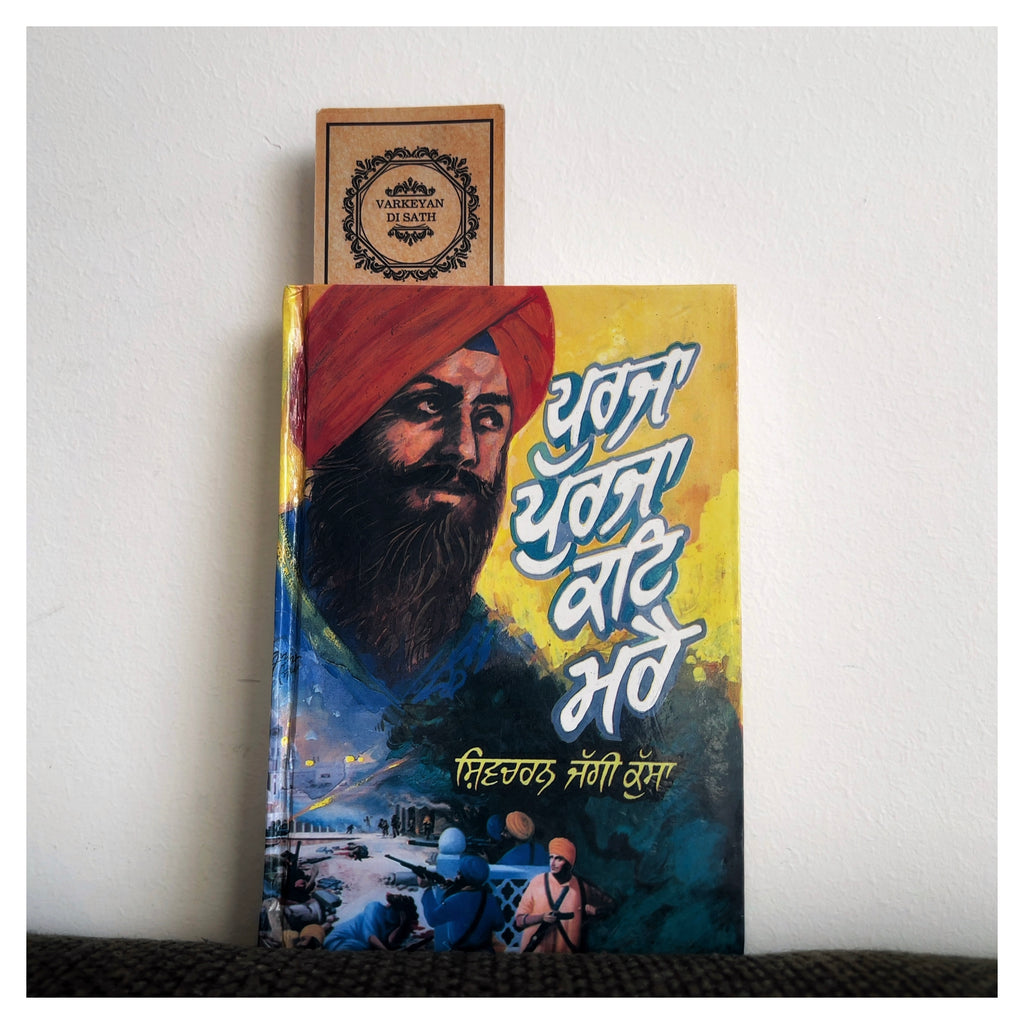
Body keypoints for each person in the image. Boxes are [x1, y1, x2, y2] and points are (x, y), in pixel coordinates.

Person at [271, 286, 559, 823]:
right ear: (349, 421)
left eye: (489, 418)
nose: (464, 448)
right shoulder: (263, 600)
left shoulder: (502, 666)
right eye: (429, 406)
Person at [514, 838, 614, 953]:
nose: (552, 863)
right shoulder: (537, 883)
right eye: (551, 857)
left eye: (559, 859)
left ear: (568, 862)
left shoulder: (581, 886)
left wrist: (596, 911)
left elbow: (611, 905)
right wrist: (541, 917)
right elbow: (519, 921)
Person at [417, 854, 505, 952]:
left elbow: (432, 919)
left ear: (463, 877)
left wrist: (427, 890)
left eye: (459, 873)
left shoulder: (457, 900)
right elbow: (499, 925)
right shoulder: (490, 898)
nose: (456, 876)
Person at [322, 893, 419, 951]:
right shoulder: (374, 907)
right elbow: (370, 936)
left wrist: (402, 924)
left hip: (360, 945)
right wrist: (387, 953)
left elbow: (391, 942)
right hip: (340, 940)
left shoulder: (395, 921)